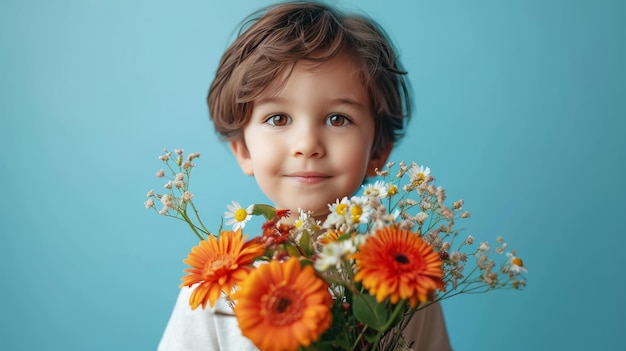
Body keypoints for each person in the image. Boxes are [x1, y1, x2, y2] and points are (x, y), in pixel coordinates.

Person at [158, 1, 452, 350]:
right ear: (244, 150)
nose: (308, 145)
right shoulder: (213, 290)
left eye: (338, 119)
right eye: (278, 119)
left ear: (379, 151)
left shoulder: (404, 286)